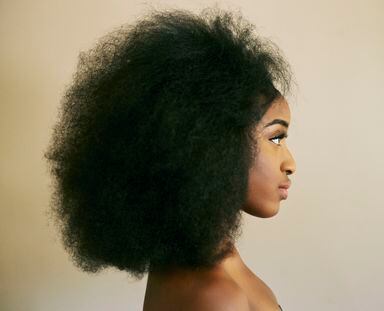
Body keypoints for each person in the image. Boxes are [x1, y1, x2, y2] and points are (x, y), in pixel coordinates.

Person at [44, 6, 296, 310]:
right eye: (276, 138)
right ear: (211, 146)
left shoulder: (205, 264)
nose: (290, 163)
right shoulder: (215, 297)